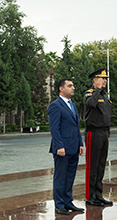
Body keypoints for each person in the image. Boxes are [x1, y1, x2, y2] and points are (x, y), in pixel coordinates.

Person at [48, 78, 85, 215]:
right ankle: (59, 204)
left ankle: (68, 202)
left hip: (74, 147)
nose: (73, 88)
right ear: (61, 89)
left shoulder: (73, 105)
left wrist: (80, 143)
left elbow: (76, 127)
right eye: (70, 86)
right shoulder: (55, 105)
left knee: (70, 176)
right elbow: (54, 128)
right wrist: (59, 146)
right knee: (60, 176)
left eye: (73, 85)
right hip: (62, 148)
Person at [82, 68, 113, 207]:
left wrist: (108, 134)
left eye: (105, 79)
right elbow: (91, 104)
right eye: (102, 78)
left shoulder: (105, 95)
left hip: (104, 133)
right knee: (92, 166)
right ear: (95, 80)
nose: (105, 80)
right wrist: (97, 89)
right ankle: (90, 196)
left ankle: (99, 195)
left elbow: (107, 117)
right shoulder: (90, 94)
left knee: (101, 165)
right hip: (93, 132)